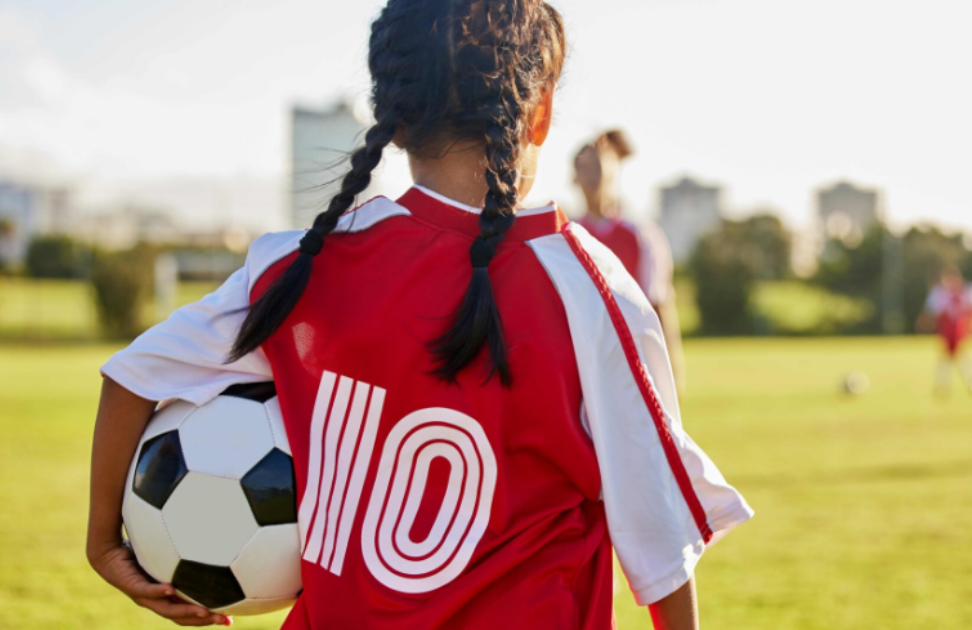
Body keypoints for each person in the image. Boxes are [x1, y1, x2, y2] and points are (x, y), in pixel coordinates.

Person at [85, 2, 752, 629]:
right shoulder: (591, 290)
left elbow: (135, 376)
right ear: (541, 113)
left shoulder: (304, 264)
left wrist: (102, 542)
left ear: (393, 120)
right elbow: (660, 543)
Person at [573, 130, 686, 388]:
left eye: (599, 169)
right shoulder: (564, 238)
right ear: (575, 177)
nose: (593, 178)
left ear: (614, 173)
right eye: (586, 169)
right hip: (582, 372)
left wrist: (672, 378)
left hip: (634, 372)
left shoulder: (642, 235)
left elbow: (659, 307)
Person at [919, 267, 972, 397]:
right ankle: (953, 385)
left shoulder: (968, 291)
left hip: (962, 331)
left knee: (960, 356)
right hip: (947, 332)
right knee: (949, 358)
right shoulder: (940, 293)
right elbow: (932, 311)